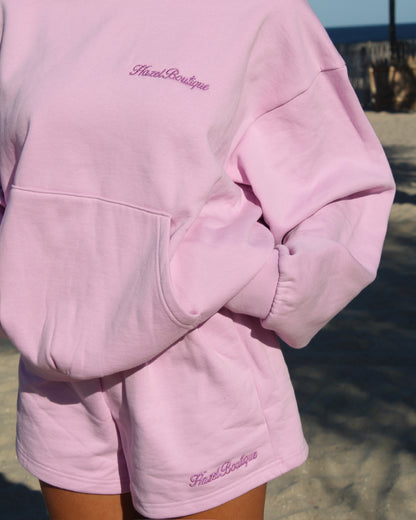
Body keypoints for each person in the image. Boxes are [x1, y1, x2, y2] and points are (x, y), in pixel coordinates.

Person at [0, 0, 395, 519]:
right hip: (58, 378)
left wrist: (259, 281)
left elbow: (342, 189)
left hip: (196, 364)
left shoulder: (262, 13)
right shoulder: (19, 11)